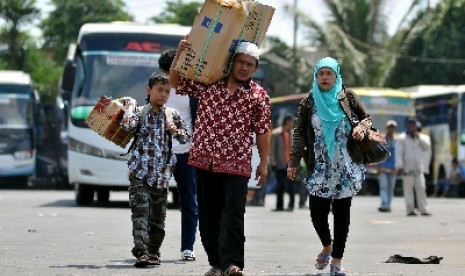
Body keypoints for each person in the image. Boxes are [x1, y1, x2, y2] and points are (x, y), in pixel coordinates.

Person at [170, 40, 271, 276]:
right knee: (208, 215)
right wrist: (180, 54)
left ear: (255, 69)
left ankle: (233, 264)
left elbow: (263, 130)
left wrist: (264, 163)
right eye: (241, 62)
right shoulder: (209, 84)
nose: (244, 68)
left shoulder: (258, 96)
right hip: (205, 161)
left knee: (234, 214)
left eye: (250, 64)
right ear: (232, 62)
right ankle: (216, 262)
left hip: (237, 164)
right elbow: (175, 82)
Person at [287, 57, 371, 276]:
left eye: (329, 73)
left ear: (336, 75)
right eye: (320, 74)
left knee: (342, 214)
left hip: (345, 165)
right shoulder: (309, 102)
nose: (324, 78)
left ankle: (336, 262)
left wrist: (361, 127)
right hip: (320, 167)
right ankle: (327, 245)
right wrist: (294, 161)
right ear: (316, 76)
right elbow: (299, 133)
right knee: (317, 212)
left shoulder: (348, 97)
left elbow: (367, 119)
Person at [119, 72, 190, 267]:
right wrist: (131, 106)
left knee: (158, 216)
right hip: (140, 172)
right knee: (140, 212)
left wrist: (174, 130)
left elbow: (186, 138)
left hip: (161, 175)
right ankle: (141, 251)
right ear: (149, 91)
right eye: (160, 90)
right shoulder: (140, 112)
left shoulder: (172, 114)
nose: (163, 95)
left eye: (167, 92)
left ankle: (154, 251)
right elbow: (126, 125)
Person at [159, 49, 199, 261]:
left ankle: (187, 247)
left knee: (189, 201)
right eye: (166, 71)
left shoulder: (191, 89)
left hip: (186, 153)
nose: (169, 75)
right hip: (161, 152)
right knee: (154, 199)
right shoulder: (158, 90)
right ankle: (150, 246)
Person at [395, 117, 432, 216]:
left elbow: (427, 147)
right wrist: (399, 166)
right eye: (410, 125)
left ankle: (424, 209)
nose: (412, 127)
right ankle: (410, 209)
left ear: (416, 126)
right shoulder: (402, 138)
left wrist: (418, 137)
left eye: (414, 125)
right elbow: (399, 153)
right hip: (407, 169)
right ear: (408, 126)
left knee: (421, 189)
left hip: (418, 169)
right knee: (408, 191)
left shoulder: (421, 138)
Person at [270, 114, 296, 212]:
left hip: (291, 164)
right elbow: (272, 150)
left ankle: (291, 205)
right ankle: (279, 205)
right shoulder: (277, 134)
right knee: (280, 186)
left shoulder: (293, 134)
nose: (293, 124)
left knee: (291, 186)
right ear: (287, 122)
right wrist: (272, 162)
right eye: (291, 122)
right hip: (280, 164)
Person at [377, 120, 398, 212]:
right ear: (387, 128)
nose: (391, 129)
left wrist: (398, 167)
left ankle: (388, 205)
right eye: (390, 127)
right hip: (383, 167)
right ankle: (384, 204)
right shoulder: (381, 140)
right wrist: (378, 167)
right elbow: (377, 154)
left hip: (393, 168)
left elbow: (399, 155)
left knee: (391, 188)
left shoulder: (398, 141)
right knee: (384, 187)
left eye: (392, 127)